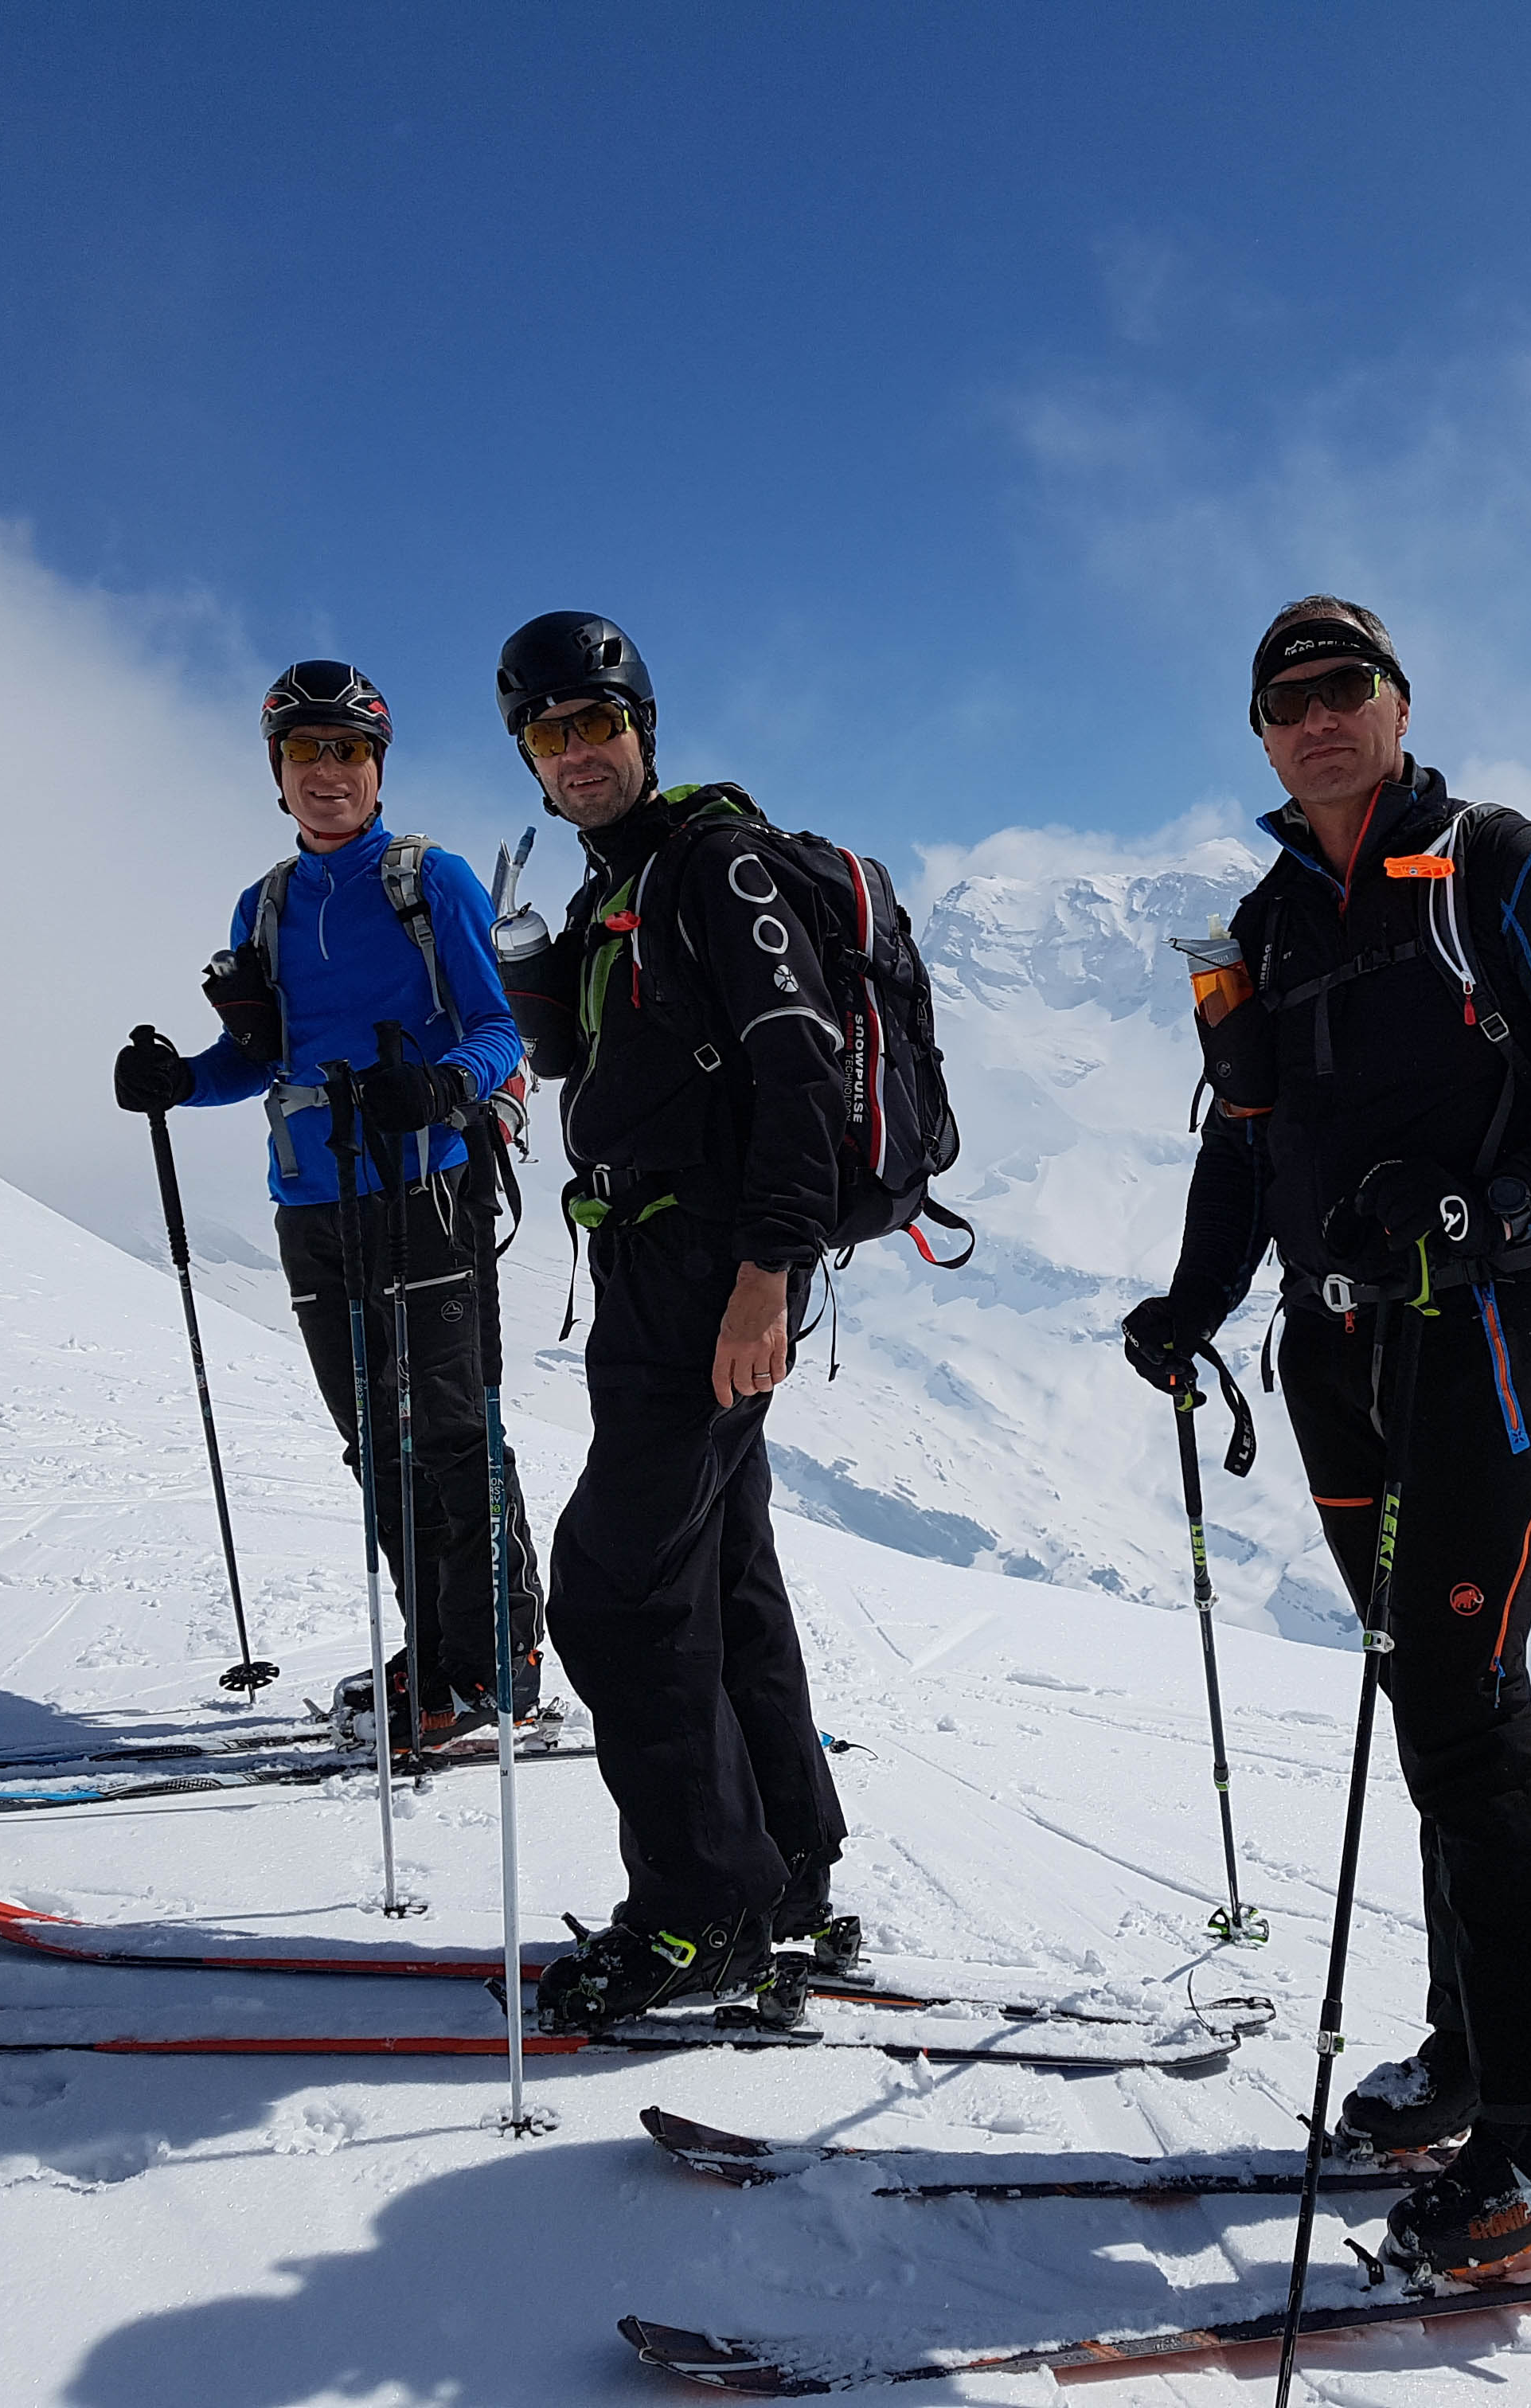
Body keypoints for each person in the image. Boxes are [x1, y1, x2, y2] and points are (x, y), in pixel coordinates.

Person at [1121, 597, 1531, 2276]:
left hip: (1493, 1339)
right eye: (1284, 701)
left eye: (1341, 690)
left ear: (1397, 702)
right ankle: (1476, 2060)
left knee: (1464, 1693)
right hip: (1340, 1350)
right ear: (1261, 733)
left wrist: (1504, 1209)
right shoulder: (1274, 921)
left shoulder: (1501, 868)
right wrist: (1192, 1302)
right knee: (1419, 1690)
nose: (1316, 720)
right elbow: (1248, 1142)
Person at [491, 612, 851, 2033]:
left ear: (644, 725)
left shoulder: (713, 864)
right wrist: (535, 970)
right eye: (549, 732)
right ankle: (786, 1875)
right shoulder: (618, 889)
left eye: (597, 723)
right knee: (717, 1574)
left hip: (712, 1276)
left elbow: (801, 1075)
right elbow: (594, 1060)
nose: (578, 752)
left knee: (617, 1587)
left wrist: (769, 1274)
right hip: (654, 1269)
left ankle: (701, 1917)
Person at [112, 659, 544, 1745]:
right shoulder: (264, 905)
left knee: (453, 1436)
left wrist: (444, 1086)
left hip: (429, 1187)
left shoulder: (429, 879)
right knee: (375, 1444)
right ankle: (435, 1662)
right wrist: (179, 1080)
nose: (327, 771)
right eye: (305, 751)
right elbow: (257, 1062)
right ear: (278, 771)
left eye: (346, 750)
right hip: (312, 1201)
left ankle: (498, 1662)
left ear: (377, 766)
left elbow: (501, 1032)